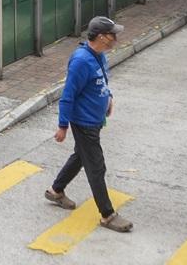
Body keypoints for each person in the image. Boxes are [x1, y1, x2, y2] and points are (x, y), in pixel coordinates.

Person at [45, 16, 134, 233]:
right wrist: (62, 126)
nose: (115, 38)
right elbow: (68, 95)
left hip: (95, 119)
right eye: (112, 34)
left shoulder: (100, 56)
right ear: (102, 37)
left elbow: (103, 80)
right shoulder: (81, 61)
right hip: (83, 122)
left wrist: (108, 97)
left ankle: (56, 191)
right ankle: (107, 214)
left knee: (80, 156)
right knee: (96, 166)